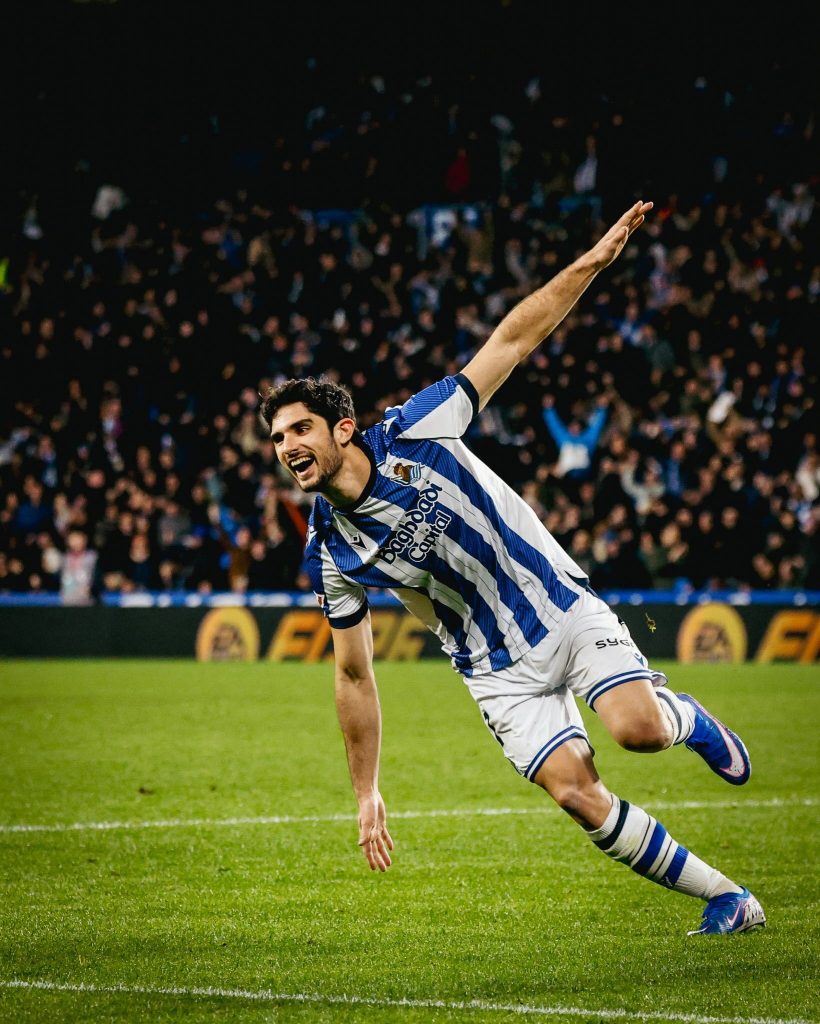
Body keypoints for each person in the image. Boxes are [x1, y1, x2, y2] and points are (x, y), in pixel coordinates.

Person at [260, 202, 764, 936]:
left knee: (637, 732)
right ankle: (728, 898)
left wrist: (593, 262)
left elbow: (514, 340)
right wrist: (365, 790)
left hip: (555, 605)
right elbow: (352, 673)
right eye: (276, 437)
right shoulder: (329, 549)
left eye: (299, 428)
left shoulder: (418, 427)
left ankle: (686, 718)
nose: (286, 445)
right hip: (492, 668)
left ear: (341, 429)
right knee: (574, 793)